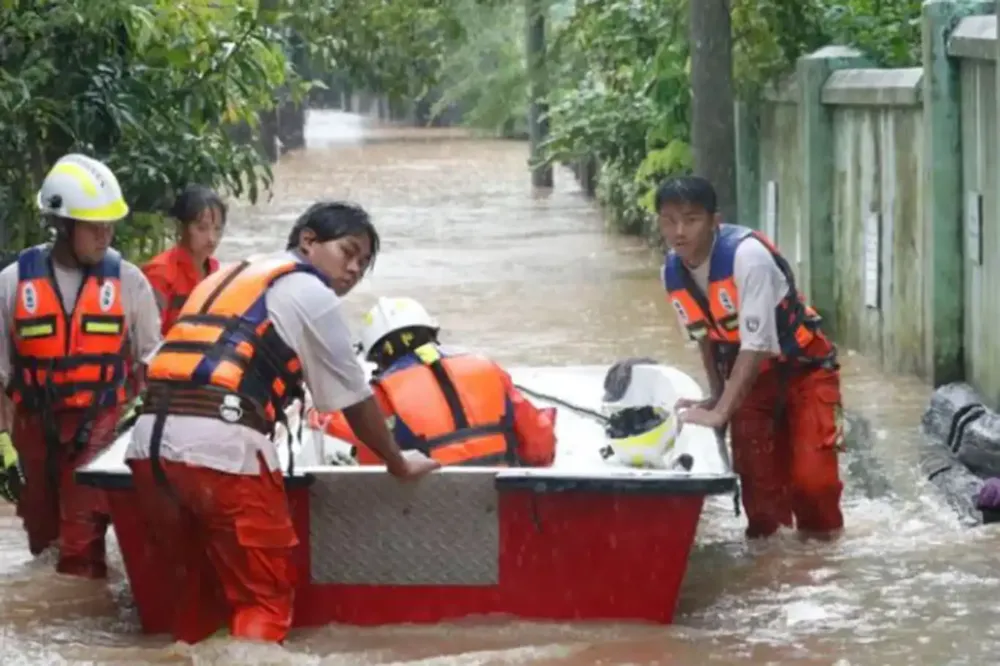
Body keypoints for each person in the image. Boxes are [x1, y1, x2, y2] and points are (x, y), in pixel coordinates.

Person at [124, 201, 440, 645]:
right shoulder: (313, 294)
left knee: (198, 591)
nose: (352, 269)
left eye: (363, 264)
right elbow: (355, 400)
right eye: (348, 252)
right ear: (308, 241)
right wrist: (397, 461)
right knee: (264, 600)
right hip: (223, 450)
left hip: (147, 449)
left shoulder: (226, 276)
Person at [0, 153, 163, 577]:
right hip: (33, 429)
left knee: (81, 543)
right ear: (63, 225)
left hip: (98, 426)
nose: (105, 236)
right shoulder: (12, 283)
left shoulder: (130, 282)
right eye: (95, 227)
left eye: (110, 226)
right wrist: (3, 451)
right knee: (41, 539)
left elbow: (153, 363)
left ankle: (83, 614)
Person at [657, 175, 844, 540]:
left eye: (691, 219)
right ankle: (770, 581)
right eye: (668, 220)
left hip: (805, 371)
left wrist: (721, 412)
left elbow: (756, 345)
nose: (679, 231)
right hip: (750, 382)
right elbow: (704, 337)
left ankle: (825, 569)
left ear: (714, 221)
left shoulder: (748, 258)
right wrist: (715, 394)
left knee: (814, 486)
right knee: (761, 510)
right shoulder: (672, 271)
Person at [315, 296, 557, 467]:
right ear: (431, 333)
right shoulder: (486, 367)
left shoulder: (382, 393)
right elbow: (540, 443)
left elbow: (375, 471)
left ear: (377, 355)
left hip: (431, 502)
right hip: (498, 493)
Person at [142, 184, 226, 335]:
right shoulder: (160, 273)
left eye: (217, 229)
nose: (211, 239)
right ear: (180, 227)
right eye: (202, 228)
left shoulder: (216, 272)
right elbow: (148, 336)